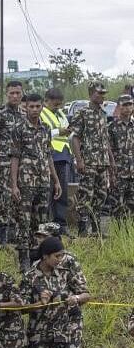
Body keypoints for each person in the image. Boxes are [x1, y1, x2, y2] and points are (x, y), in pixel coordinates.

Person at [9, 93, 62, 272]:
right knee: (24, 221)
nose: (34, 110)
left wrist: (56, 181)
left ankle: (37, 257)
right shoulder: (18, 128)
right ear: (26, 107)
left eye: (37, 106)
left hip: (43, 181)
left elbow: (48, 157)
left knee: (40, 222)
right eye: (31, 106)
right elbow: (14, 158)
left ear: (41, 107)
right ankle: (23, 259)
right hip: (25, 182)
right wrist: (14, 185)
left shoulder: (46, 129)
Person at [70, 81, 116, 237]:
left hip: (103, 162)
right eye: (99, 93)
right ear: (91, 94)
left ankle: (97, 230)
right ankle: (83, 231)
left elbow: (105, 140)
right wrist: (79, 160)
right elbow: (74, 137)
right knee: (85, 195)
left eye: (103, 93)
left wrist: (111, 161)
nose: (102, 96)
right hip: (88, 162)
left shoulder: (103, 114)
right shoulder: (82, 112)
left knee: (101, 196)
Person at [0, 80, 25, 245]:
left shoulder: (24, 115)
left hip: (22, 165)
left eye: (18, 93)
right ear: (7, 94)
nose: (15, 96)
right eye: (12, 93)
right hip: (3, 164)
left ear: (22, 94)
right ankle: (1, 241)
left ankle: (13, 236)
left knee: (18, 200)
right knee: (4, 201)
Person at [40, 88, 72, 224]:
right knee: (48, 191)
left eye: (60, 104)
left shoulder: (60, 114)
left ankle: (60, 223)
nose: (58, 107)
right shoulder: (41, 113)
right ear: (46, 101)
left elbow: (66, 131)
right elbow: (41, 133)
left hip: (64, 155)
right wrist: (59, 132)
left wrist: (68, 131)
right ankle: (46, 223)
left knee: (62, 192)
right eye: (55, 104)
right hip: (50, 155)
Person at [110, 95, 134, 218]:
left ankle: (129, 235)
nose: (128, 107)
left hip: (132, 173)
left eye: (130, 104)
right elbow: (108, 150)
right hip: (118, 173)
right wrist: (111, 174)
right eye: (124, 105)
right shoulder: (112, 126)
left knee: (132, 207)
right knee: (117, 207)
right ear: (119, 107)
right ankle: (118, 234)